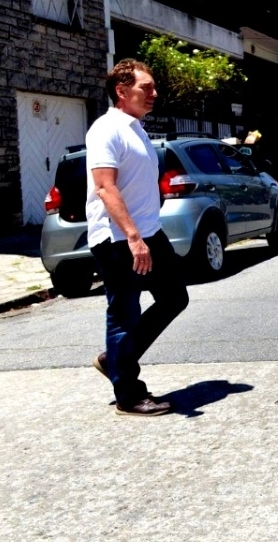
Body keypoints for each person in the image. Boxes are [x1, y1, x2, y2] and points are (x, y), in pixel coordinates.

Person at [86, 59, 189, 417]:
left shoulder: (136, 129)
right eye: (146, 87)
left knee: (175, 297)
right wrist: (132, 236)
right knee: (124, 314)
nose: (154, 93)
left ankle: (116, 358)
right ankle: (128, 394)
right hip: (118, 238)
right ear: (122, 91)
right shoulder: (106, 129)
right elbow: (104, 187)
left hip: (148, 232)